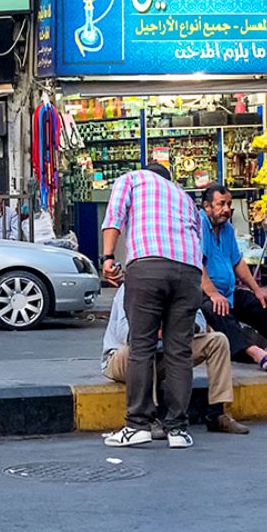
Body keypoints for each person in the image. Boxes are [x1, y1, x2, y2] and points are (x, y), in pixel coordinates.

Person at [100, 163, 204, 450]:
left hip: (148, 266)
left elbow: (114, 219)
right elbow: (197, 239)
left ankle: (137, 425)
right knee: (179, 352)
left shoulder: (131, 179)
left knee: (142, 347)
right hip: (188, 271)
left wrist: (107, 258)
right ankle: (177, 430)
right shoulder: (184, 197)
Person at [102, 283, 249, 435]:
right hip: (122, 359)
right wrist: (152, 326)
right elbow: (123, 332)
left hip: (168, 354)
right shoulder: (133, 285)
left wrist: (177, 325)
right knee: (142, 348)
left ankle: (217, 413)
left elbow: (199, 322)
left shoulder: (183, 283)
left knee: (217, 341)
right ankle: (149, 418)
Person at [198, 184, 267, 370]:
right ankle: (254, 352)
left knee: (258, 304)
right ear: (207, 206)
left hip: (227, 293)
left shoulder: (227, 229)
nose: (226, 209)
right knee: (217, 307)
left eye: (229, 204)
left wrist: (257, 290)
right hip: (203, 293)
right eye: (221, 204)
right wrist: (213, 293)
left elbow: (237, 261)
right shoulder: (198, 225)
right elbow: (196, 264)